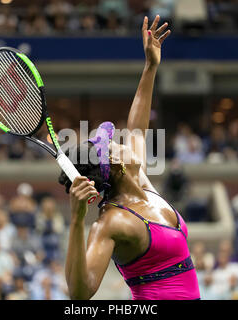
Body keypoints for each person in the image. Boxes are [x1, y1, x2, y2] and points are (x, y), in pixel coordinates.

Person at [59, 16, 200, 300]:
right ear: (115, 164)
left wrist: (150, 66)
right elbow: (80, 293)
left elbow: (137, 128)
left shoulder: (142, 185)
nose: (123, 140)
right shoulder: (110, 222)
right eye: (114, 143)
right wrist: (76, 221)